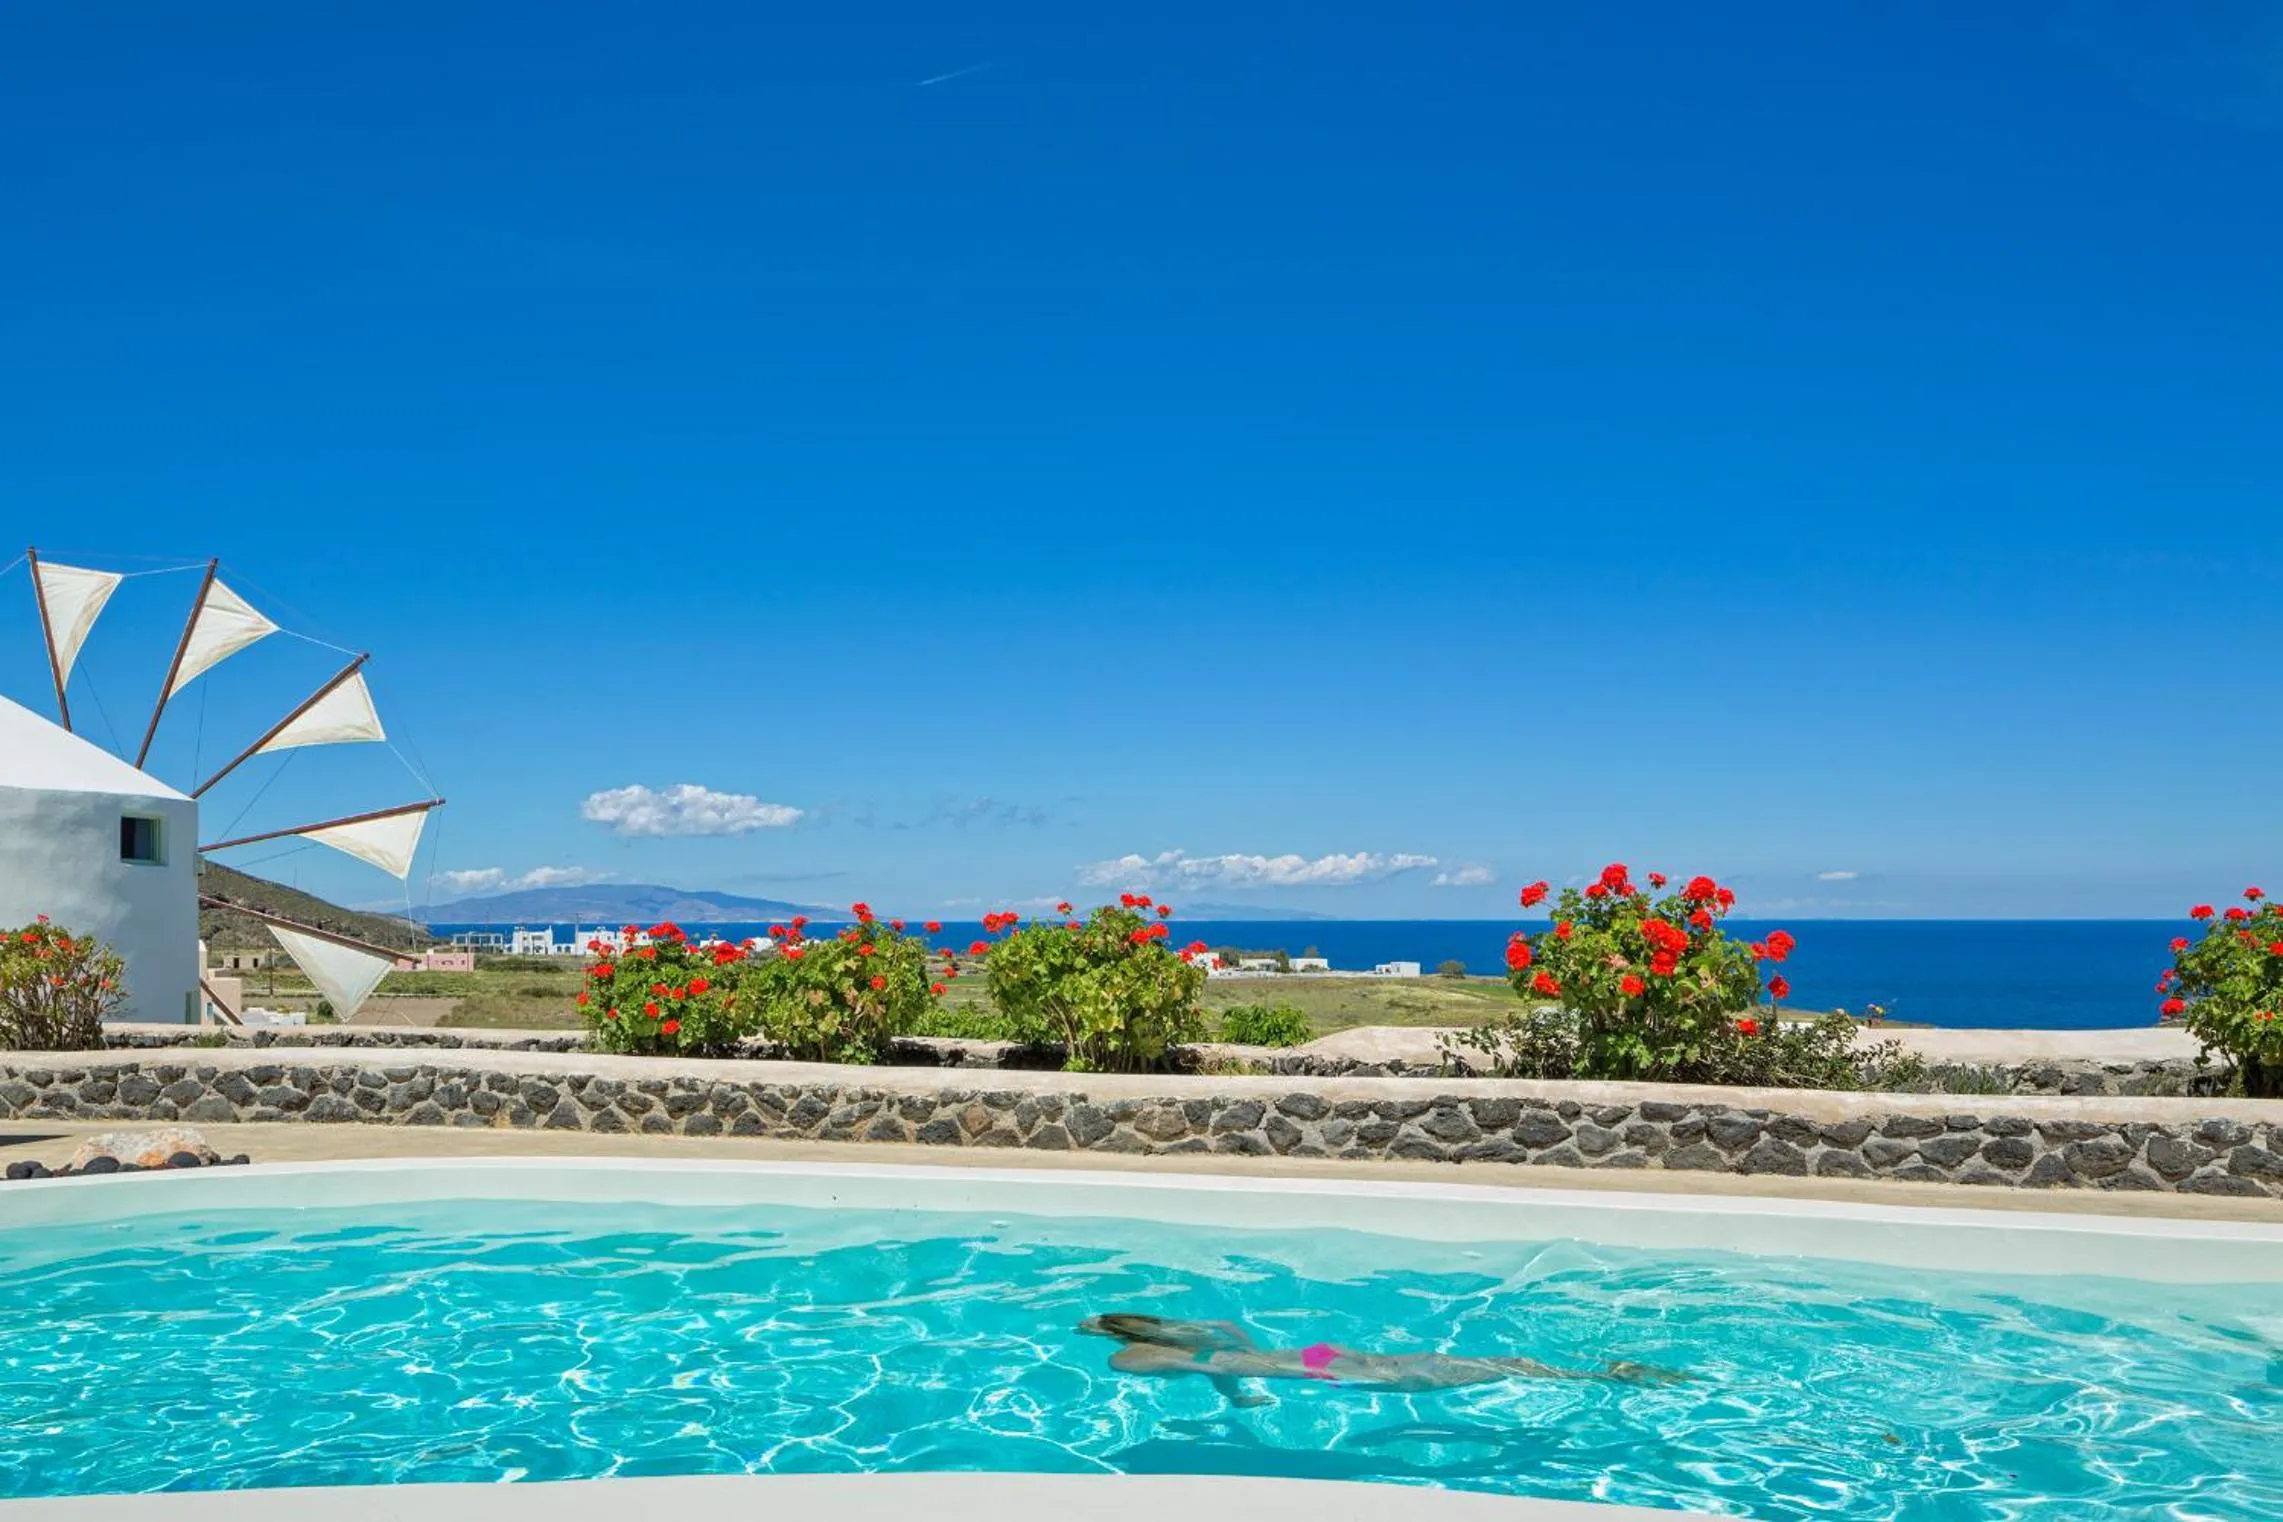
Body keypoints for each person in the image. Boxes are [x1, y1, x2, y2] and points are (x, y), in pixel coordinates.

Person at [1079, 1313, 1687, 1407]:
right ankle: (1590, 1371)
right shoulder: (1189, 1333)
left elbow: (1203, 1368)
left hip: (1311, 1368)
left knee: (1416, 1376)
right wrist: (1233, 1382)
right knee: (1412, 1363)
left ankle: (1603, 1377)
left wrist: (1233, 1388)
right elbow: (1225, 1334)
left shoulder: (1135, 1355)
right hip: (1312, 1352)